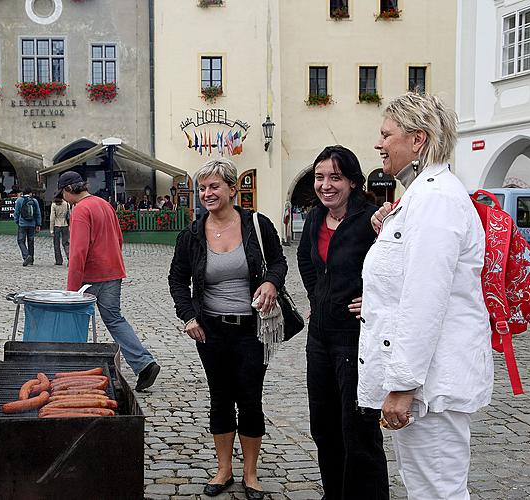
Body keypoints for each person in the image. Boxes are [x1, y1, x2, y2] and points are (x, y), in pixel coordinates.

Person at [360, 93, 493, 499]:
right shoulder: (424, 196)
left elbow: (423, 299)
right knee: (427, 486)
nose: (379, 144)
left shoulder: (435, 200)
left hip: (429, 386)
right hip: (427, 383)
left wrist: (402, 385)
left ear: (417, 140)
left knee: (437, 490)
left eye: (386, 134)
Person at [168, 158, 286, 500]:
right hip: (211, 330)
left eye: (214, 186)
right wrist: (189, 316)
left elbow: (278, 261)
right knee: (220, 398)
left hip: (253, 328)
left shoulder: (256, 225)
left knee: (249, 398)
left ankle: (251, 474)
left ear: (232, 189)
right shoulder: (192, 233)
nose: (207, 193)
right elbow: (177, 278)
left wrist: (271, 283)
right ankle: (224, 469)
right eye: (202, 187)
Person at [296, 146, 388, 500]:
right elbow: (306, 259)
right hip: (319, 338)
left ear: (352, 181)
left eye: (335, 177)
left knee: (359, 430)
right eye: (320, 177)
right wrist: (317, 296)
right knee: (324, 425)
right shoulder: (317, 218)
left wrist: (375, 298)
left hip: (356, 339)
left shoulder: (372, 220)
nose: (326, 185)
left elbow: (396, 266)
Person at [59, 171, 161, 391]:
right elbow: (119, 238)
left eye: (62, 193)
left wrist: (71, 289)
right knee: (114, 319)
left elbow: (78, 252)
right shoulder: (104, 204)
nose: (62, 198)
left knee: (75, 319)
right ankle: (144, 363)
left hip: (90, 277)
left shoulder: (80, 211)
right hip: (113, 271)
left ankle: (72, 369)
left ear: (69, 190)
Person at [14, 187, 41, 266]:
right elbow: (38, 213)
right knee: (31, 241)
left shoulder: (19, 200)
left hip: (22, 224)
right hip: (32, 224)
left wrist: (17, 221)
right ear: (30, 193)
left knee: (21, 241)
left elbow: (16, 212)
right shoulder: (34, 201)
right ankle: (31, 259)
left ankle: (26, 256)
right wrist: (38, 224)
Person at [50, 194, 70, 265]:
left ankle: (59, 260)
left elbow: (52, 217)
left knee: (56, 244)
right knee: (66, 243)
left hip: (56, 225)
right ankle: (69, 257)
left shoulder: (54, 205)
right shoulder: (66, 204)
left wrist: (51, 229)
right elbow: (69, 214)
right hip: (65, 225)